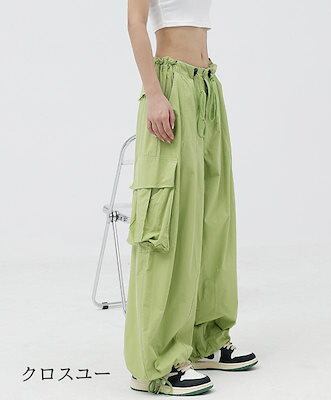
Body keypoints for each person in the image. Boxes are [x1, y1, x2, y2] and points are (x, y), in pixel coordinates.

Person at [124, 0, 257, 395]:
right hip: (171, 84)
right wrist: (154, 94)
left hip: (206, 83)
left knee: (213, 216)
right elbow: (135, 23)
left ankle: (206, 340)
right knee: (170, 223)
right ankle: (155, 363)